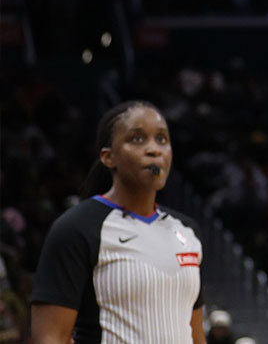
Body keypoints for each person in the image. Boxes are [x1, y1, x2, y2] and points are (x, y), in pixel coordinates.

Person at [30, 101, 206, 344]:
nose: (154, 150)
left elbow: (197, 337)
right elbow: (50, 337)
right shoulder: (76, 228)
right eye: (137, 139)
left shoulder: (187, 232)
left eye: (162, 139)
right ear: (108, 157)